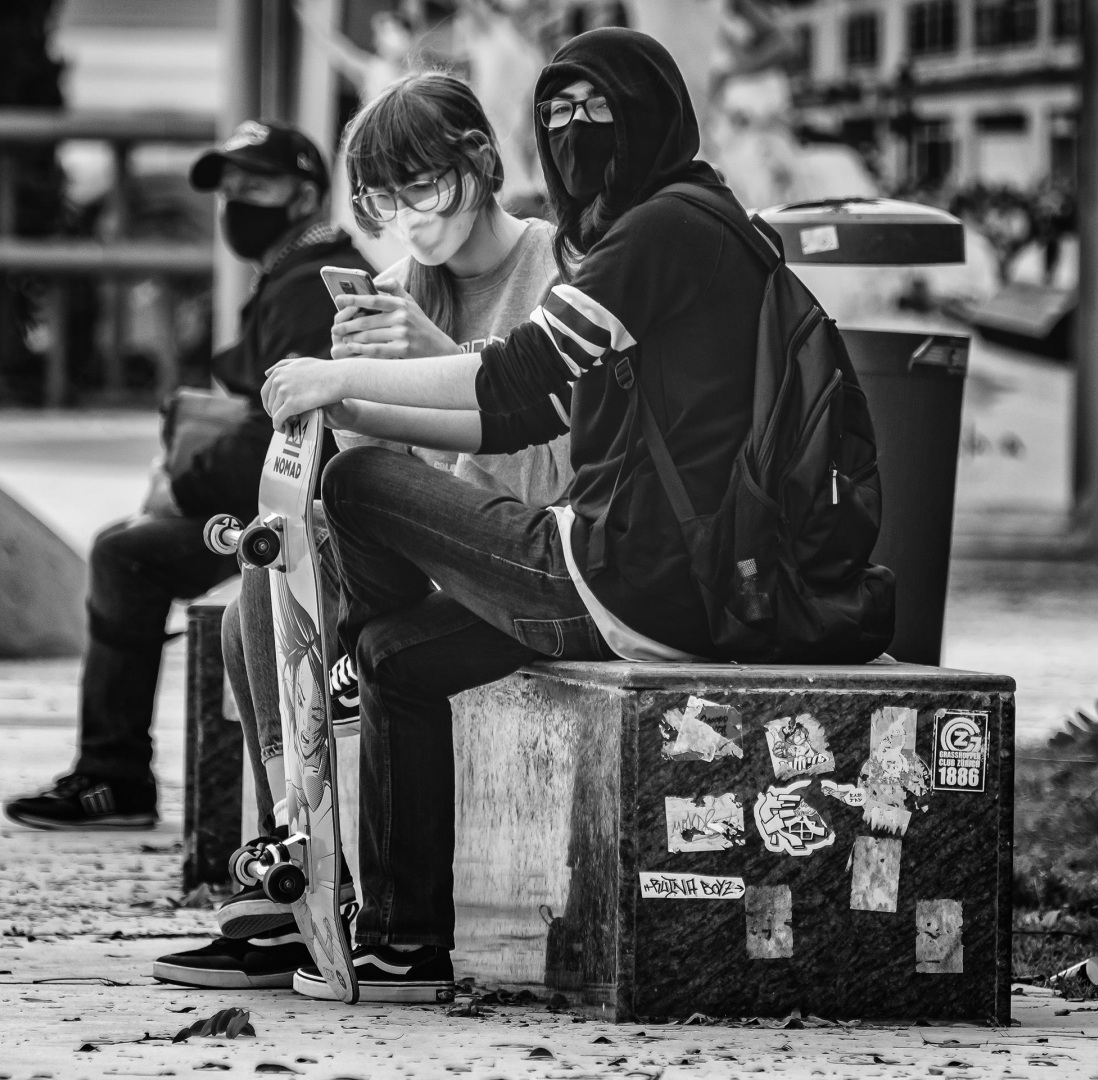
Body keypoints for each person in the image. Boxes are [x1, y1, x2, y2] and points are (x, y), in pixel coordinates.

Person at [258, 28, 771, 1002]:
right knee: (394, 658)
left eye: (598, 113)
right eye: (558, 117)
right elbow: (516, 407)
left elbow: (525, 399)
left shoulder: (654, 232)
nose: (574, 139)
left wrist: (358, 372)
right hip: (590, 569)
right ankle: (402, 949)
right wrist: (348, 399)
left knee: (351, 503)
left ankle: (337, 675)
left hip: (620, 572)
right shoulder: (649, 230)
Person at [149, 73, 572, 993]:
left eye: (423, 187)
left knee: (358, 625)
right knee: (249, 611)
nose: (407, 217)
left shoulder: (556, 269)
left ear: (484, 163)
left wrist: (427, 357)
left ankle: (333, 887)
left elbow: (553, 447)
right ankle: (293, 874)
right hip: (420, 560)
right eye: (381, 199)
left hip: (532, 554)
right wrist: (337, 404)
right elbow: (371, 473)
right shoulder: (389, 287)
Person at [2, 119, 374, 831]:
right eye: (228, 188)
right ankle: (110, 773)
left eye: (255, 185)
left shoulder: (304, 286)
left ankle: (113, 778)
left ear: (302, 195)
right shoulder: (289, 273)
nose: (235, 201)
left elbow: (292, 436)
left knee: (125, 556)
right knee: (125, 549)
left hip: (297, 519)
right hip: (272, 507)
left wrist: (185, 483)